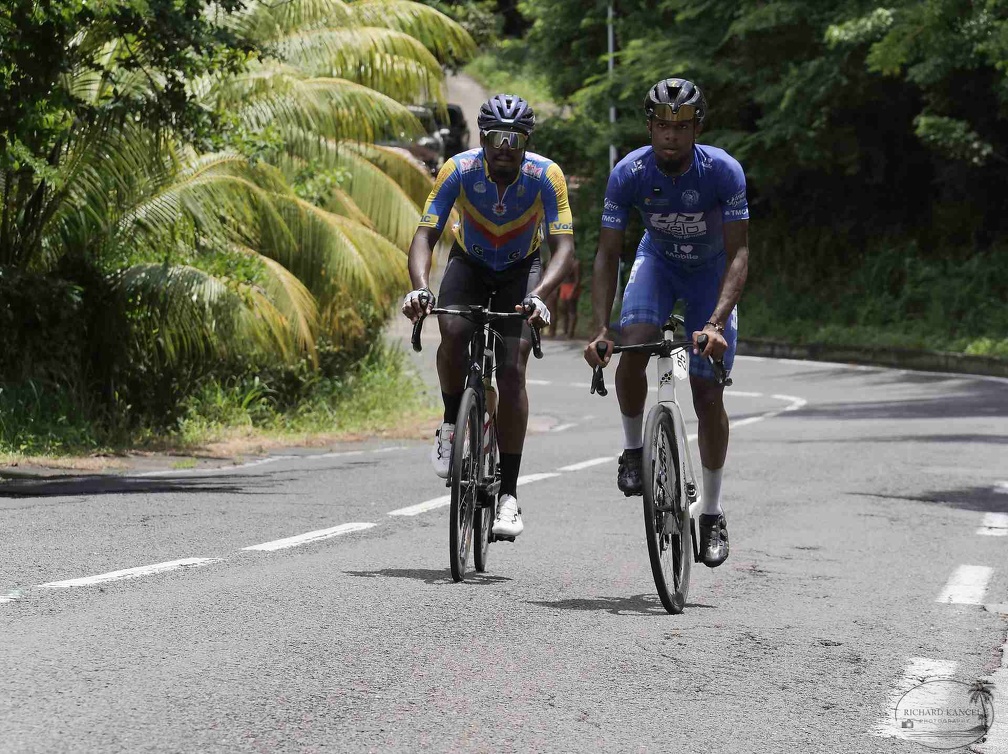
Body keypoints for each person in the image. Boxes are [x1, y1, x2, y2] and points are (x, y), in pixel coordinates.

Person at [583, 78, 749, 568]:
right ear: (649, 126)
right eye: (661, 126)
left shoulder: (722, 171)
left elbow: (740, 252)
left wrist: (716, 322)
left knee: (708, 392)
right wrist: (598, 329)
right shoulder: (628, 172)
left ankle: (713, 513)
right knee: (633, 344)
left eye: (680, 127)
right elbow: (607, 253)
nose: (670, 136)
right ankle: (633, 450)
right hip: (657, 260)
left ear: (697, 127)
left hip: (710, 272)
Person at [402, 93, 576, 539]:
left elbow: (564, 250)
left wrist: (539, 295)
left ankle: (510, 497)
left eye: (515, 139)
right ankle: (448, 422)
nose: (505, 146)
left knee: (514, 370)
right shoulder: (458, 170)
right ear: (482, 138)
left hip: (523, 270)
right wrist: (421, 287)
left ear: (526, 142)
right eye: (497, 137)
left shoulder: (546, 176)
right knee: (454, 331)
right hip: (471, 262)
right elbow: (426, 235)